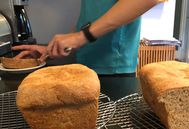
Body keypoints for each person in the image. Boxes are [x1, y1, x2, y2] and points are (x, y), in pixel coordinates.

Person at [13, 0, 162, 75]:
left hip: (112, 71)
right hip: (86, 66)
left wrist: (80, 37)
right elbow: (92, 14)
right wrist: (54, 48)